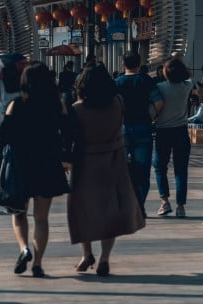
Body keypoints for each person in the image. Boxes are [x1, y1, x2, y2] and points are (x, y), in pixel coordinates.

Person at [67, 64, 146, 276]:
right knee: (110, 212)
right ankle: (104, 259)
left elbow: (73, 137)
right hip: (114, 161)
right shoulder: (117, 102)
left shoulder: (77, 109)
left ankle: (86, 255)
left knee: (83, 210)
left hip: (85, 163)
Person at [0, 62, 70, 277]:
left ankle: (24, 249)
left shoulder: (16, 104)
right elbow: (67, 133)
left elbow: (4, 136)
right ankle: (38, 263)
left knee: (19, 212)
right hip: (48, 163)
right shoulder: (56, 105)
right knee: (42, 218)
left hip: (22, 164)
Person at [114, 52, 162, 211]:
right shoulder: (146, 81)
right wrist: (152, 115)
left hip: (122, 129)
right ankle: (139, 204)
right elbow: (159, 102)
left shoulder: (117, 83)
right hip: (143, 127)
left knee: (122, 169)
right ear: (139, 65)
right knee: (143, 169)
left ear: (123, 65)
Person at [152, 57, 193, 218]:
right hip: (181, 131)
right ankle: (180, 206)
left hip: (163, 131)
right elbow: (189, 74)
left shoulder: (159, 87)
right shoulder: (186, 86)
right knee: (181, 170)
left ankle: (164, 201)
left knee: (160, 167)